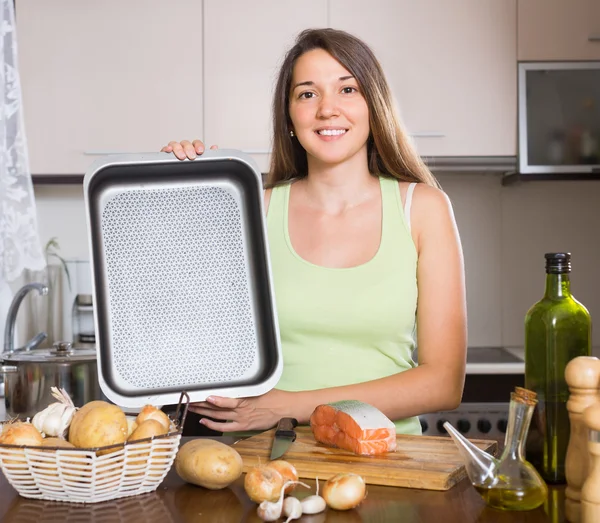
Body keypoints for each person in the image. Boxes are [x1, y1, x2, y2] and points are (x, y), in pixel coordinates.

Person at [161, 28, 467, 435]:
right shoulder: (250, 208)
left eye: (347, 89)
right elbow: (184, 342)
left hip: (389, 460)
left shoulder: (423, 209)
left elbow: (444, 383)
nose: (327, 109)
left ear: (374, 105)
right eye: (307, 94)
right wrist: (180, 195)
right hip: (268, 461)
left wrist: (286, 406)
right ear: (289, 116)